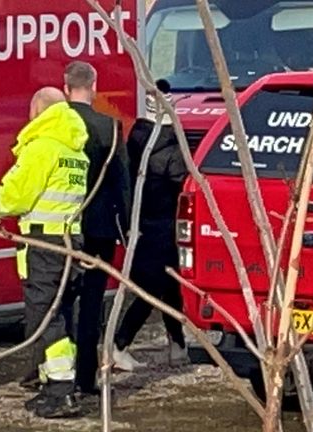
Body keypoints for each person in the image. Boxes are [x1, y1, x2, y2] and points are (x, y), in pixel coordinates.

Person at [0, 87, 88, 418]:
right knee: (62, 313)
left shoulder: (43, 147)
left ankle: (60, 390)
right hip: (69, 242)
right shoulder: (74, 150)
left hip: (44, 246)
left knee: (45, 316)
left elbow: (21, 194)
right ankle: (56, 381)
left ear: (40, 110)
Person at [63, 61, 131, 395]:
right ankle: (85, 377)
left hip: (59, 226)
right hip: (100, 228)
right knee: (91, 303)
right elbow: (123, 184)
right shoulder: (110, 127)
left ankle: (53, 373)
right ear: (94, 85)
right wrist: (128, 229)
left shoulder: (56, 125)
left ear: (65, 87)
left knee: (56, 300)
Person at [113, 79, 188, 370]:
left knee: (170, 285)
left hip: (138, 223)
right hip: (164, 224)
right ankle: (120, 343)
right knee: (153, 288)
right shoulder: (171, 143)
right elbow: (180, 183)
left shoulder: (135, 138)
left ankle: (177, 345)